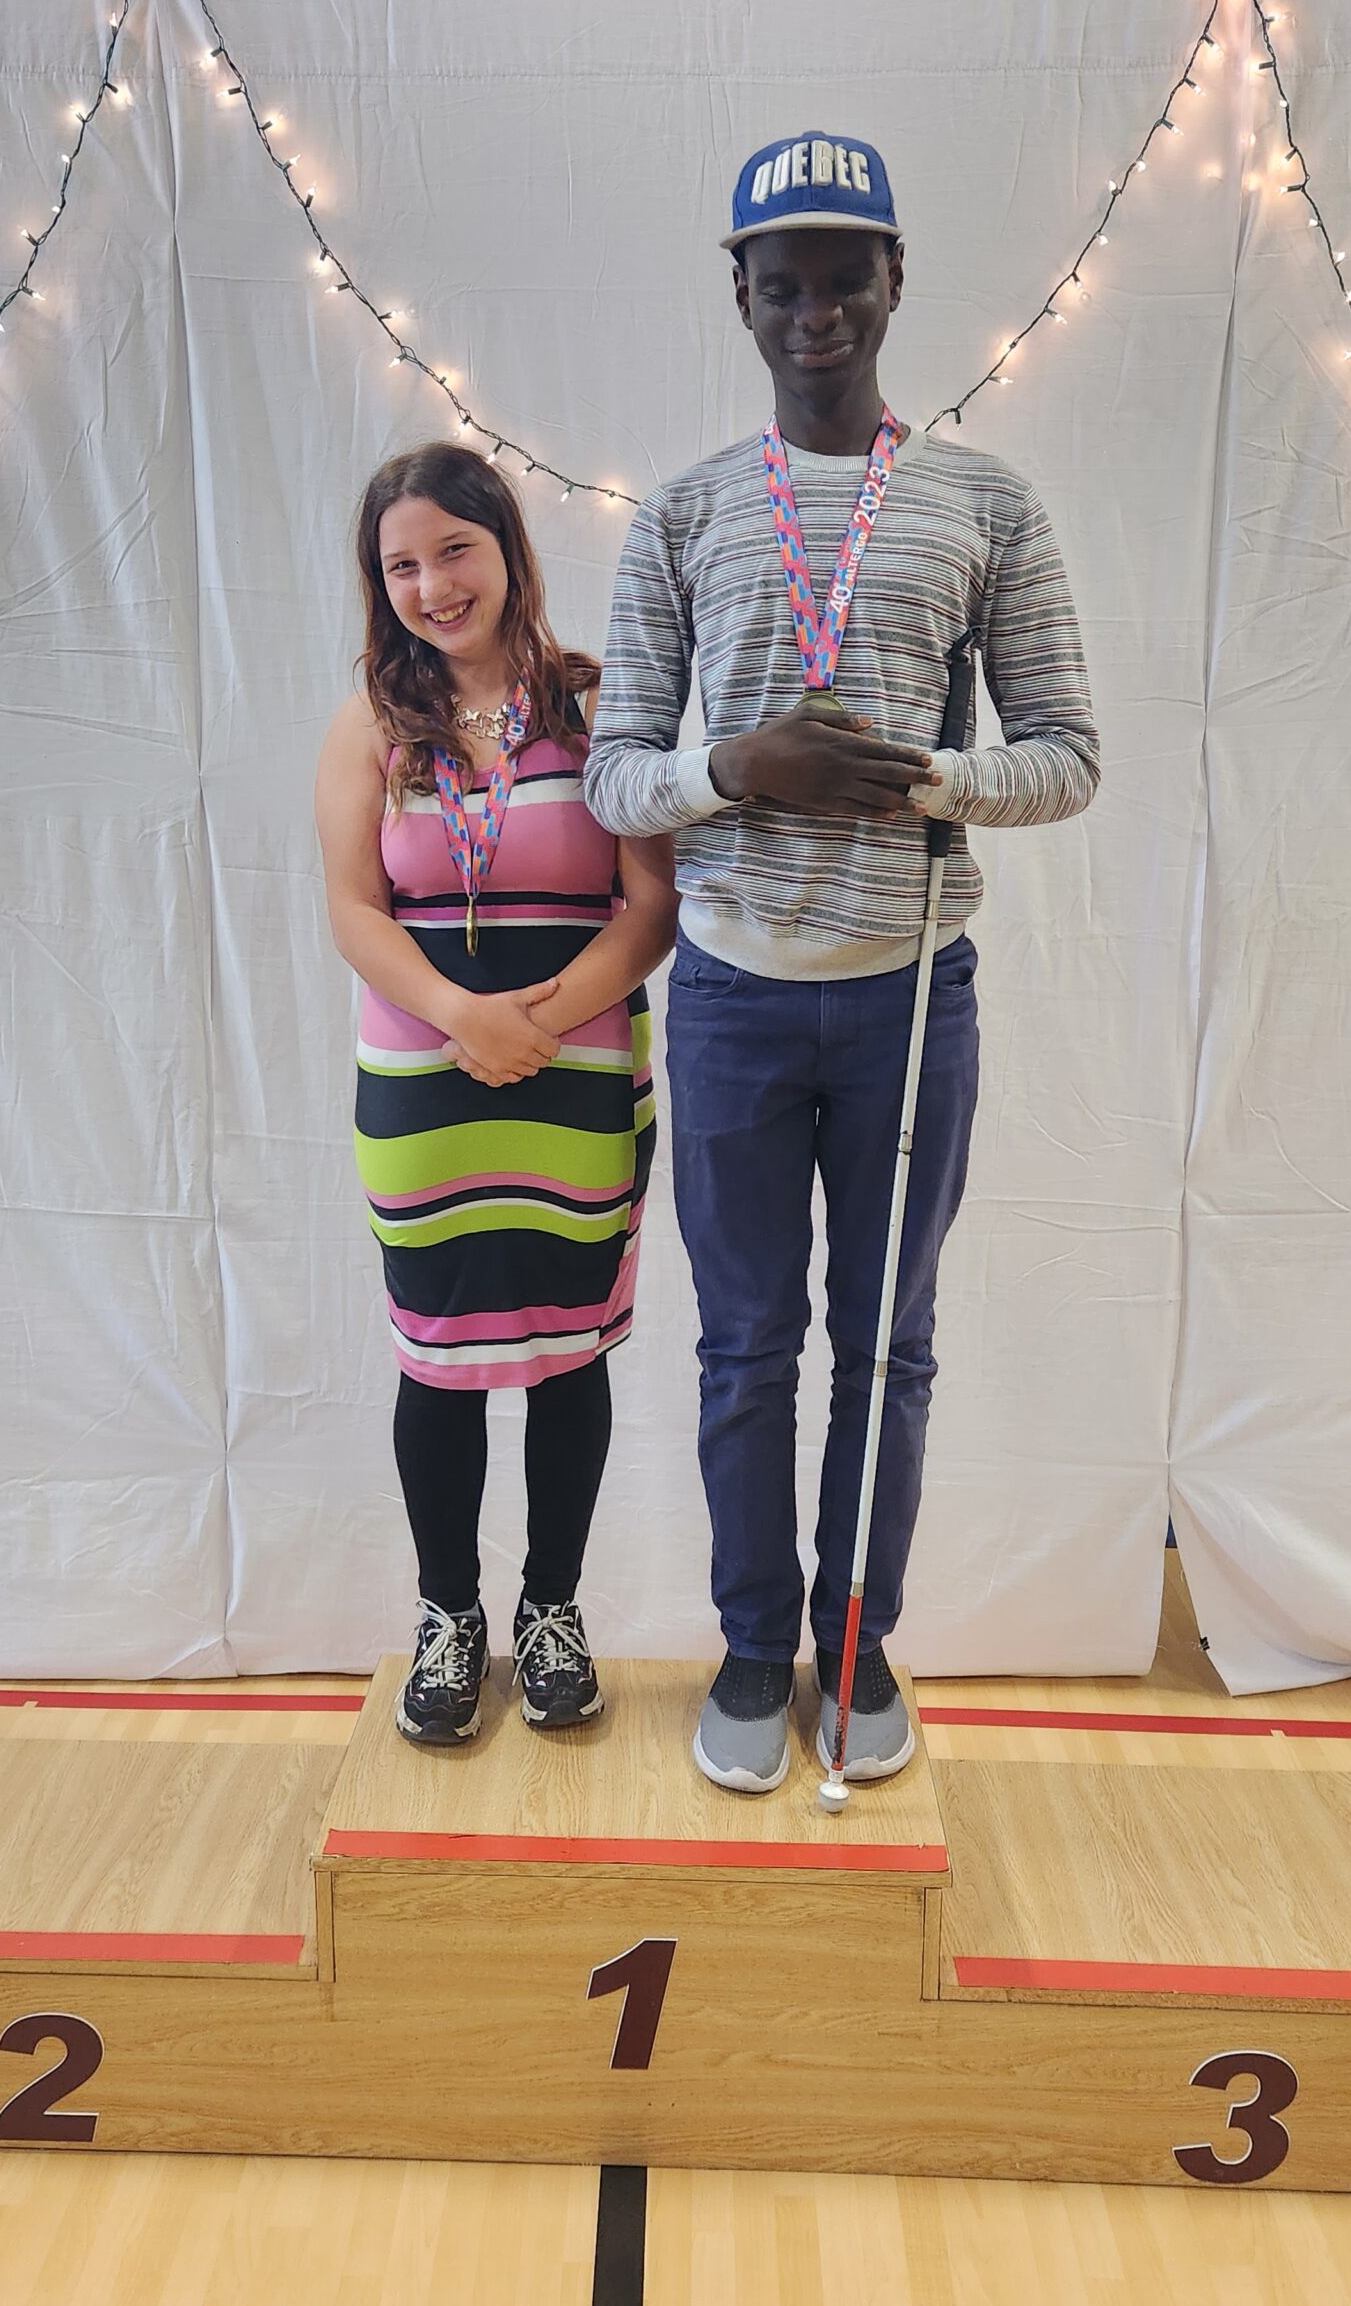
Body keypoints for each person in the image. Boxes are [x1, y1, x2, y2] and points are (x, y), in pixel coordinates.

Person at [584, 130, 1101, 1793]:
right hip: (732, 997)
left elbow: (1070, 755)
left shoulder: (983, 503)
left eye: (845, 280)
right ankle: (754, 1652)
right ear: (740, 297)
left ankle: (857, 1642)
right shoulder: (684, 514)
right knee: (747, 1349)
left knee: (887, 1344)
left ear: (894, 283)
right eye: (783, 284)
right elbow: (614, 776)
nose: (816, 312)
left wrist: (926, 779)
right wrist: (743, 769)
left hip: (908, 994)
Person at [317, 443, 676, 1747]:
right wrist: (464, 1016)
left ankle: (551, 1612)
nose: (433, 585)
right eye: (401, 565)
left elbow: (652, 907)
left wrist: (539, 1022)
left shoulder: (601, 705)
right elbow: (356, 910)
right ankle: (449, 1619)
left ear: (508, 548)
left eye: (454, 550)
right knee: (442, 1360)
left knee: (569, 1352)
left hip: (577, 1081)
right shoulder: (372, 725)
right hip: (425, 1089)